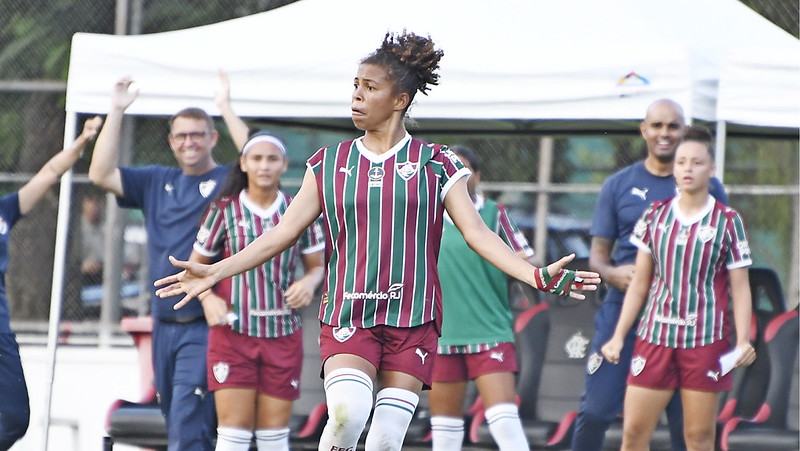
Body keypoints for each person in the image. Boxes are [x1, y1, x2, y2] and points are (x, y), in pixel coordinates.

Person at [155, 30, 600, 451]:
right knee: (348, 413)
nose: (357, 95)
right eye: (355, 85)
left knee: (386, 439)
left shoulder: (438, 163)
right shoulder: (329, 163)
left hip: (414, 321)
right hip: (351, 313)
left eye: (369, 87)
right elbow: (282, 233)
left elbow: (478, 233)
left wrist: (536, 275)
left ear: (400, 99)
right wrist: (215, 270)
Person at [89, 73, 247, 450]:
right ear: (171, 143)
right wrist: (116, 109)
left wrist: (225, 106)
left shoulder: (226, 179)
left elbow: (255, 156)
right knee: (176, 424)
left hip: (204, 325)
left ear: (212, 138)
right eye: (181, 135)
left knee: (188, 428)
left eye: (197, 134)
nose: (189, 141)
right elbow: (99, 173)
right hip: (162, 324)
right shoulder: (155, 180)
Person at [571, 99, 729, 451]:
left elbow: (723, 253)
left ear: (683, 132)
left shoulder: (710, 187)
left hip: (682, 321)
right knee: (596, 411)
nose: (664, 133)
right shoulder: (617, 185)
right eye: (657, 125)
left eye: (673, 126)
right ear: (644, 130)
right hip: (622, 314)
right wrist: (612, 273)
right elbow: (598, 254)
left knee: (686, 426)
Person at [600, 126, 756, 451]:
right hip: (654, 338)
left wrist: (742, 340)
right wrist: (617, 336)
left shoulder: (727, 221)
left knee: (698, 438)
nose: (688, 168)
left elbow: (741, 289)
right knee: (633, 434)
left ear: (711, 169)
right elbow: (640, 283)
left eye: (697, 163)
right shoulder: (654, 216)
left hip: (705, 342)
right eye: (682, 162)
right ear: (674, 168)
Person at [185, 131, 325, 451]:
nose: (264, 165)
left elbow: (318, 267)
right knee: (233, 434)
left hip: (283, 333)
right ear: (244, 163)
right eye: (257, 158)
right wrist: (208, 299)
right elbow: (194, 271)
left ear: (284, 165)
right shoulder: (223, 211)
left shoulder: (299, 210)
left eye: (272, 159)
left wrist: (309, 282)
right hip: (232, 333)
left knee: (274, 438)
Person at [0, 116, 102, 450]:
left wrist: (80, 143)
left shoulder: (5, 211)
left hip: (1, 329)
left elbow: (47, 175)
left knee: (14, 416)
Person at [428, 145, 534, 451]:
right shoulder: (425, 216)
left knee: (504, 422)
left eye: (464, 169)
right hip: (441, 333)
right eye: (449, 169)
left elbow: (525, 261)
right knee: (445, 432)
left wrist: (548, 276)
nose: (456, 176)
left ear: (477, 176)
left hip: (490, 331)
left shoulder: (494, 213)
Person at [80, 193, 105, 286]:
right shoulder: (77, 229)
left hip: (104, 274)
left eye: (97, 202)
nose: (94, 206)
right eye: (90, 201)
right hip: (83, 277)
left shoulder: (108, 228)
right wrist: (83, 266)